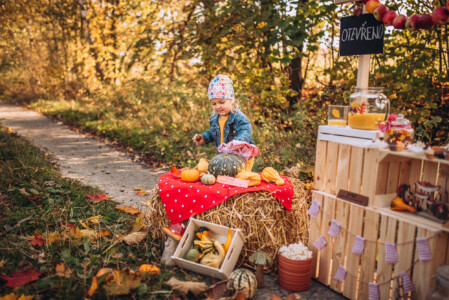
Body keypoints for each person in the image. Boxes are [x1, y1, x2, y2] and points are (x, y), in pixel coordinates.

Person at [192, 74, 257, 172]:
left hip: (241, 155)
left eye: (221, 102)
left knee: (241, 175)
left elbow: (245, 129)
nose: (218, 106)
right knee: (228, 175)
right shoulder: (214, 118)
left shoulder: (237, 116)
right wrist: (204, 138)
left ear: (231, 100)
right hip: (225, 157)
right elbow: (212, 132)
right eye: (214, 104)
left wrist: (237, 143)